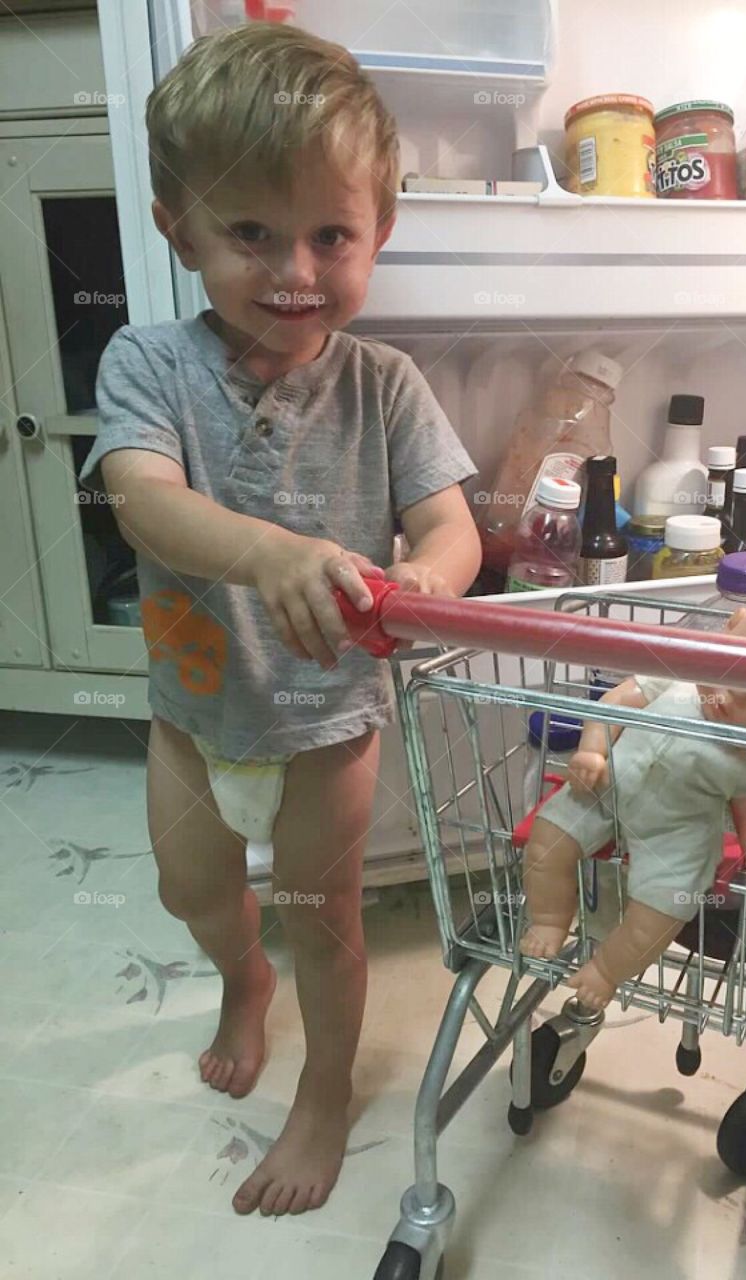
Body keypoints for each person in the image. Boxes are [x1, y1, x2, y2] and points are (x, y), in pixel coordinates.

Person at [78, 23, 480, 1217]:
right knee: (192, 893)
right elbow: (141, 500)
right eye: (251, 231)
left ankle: (323, 1091)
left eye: (330, 234)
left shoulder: (387, 386)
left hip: (327, 727)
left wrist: (429, 588)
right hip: (193, 718)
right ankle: (237, 975)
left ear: (380, 232)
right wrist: (275, 551)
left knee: (327, 916)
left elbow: (455, 530)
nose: (294, 267)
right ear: (178, 225)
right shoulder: (147, 363)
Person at [519, 583, 746, 1011]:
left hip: (676, 833)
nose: (732, 694)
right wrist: (593, 749)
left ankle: (606, 970)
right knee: (546, 843)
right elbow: (614, 703)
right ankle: (549, 918)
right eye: (739, 662)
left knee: (663, 912)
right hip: (606, 786)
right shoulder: (676, 678)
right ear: (733, 626)